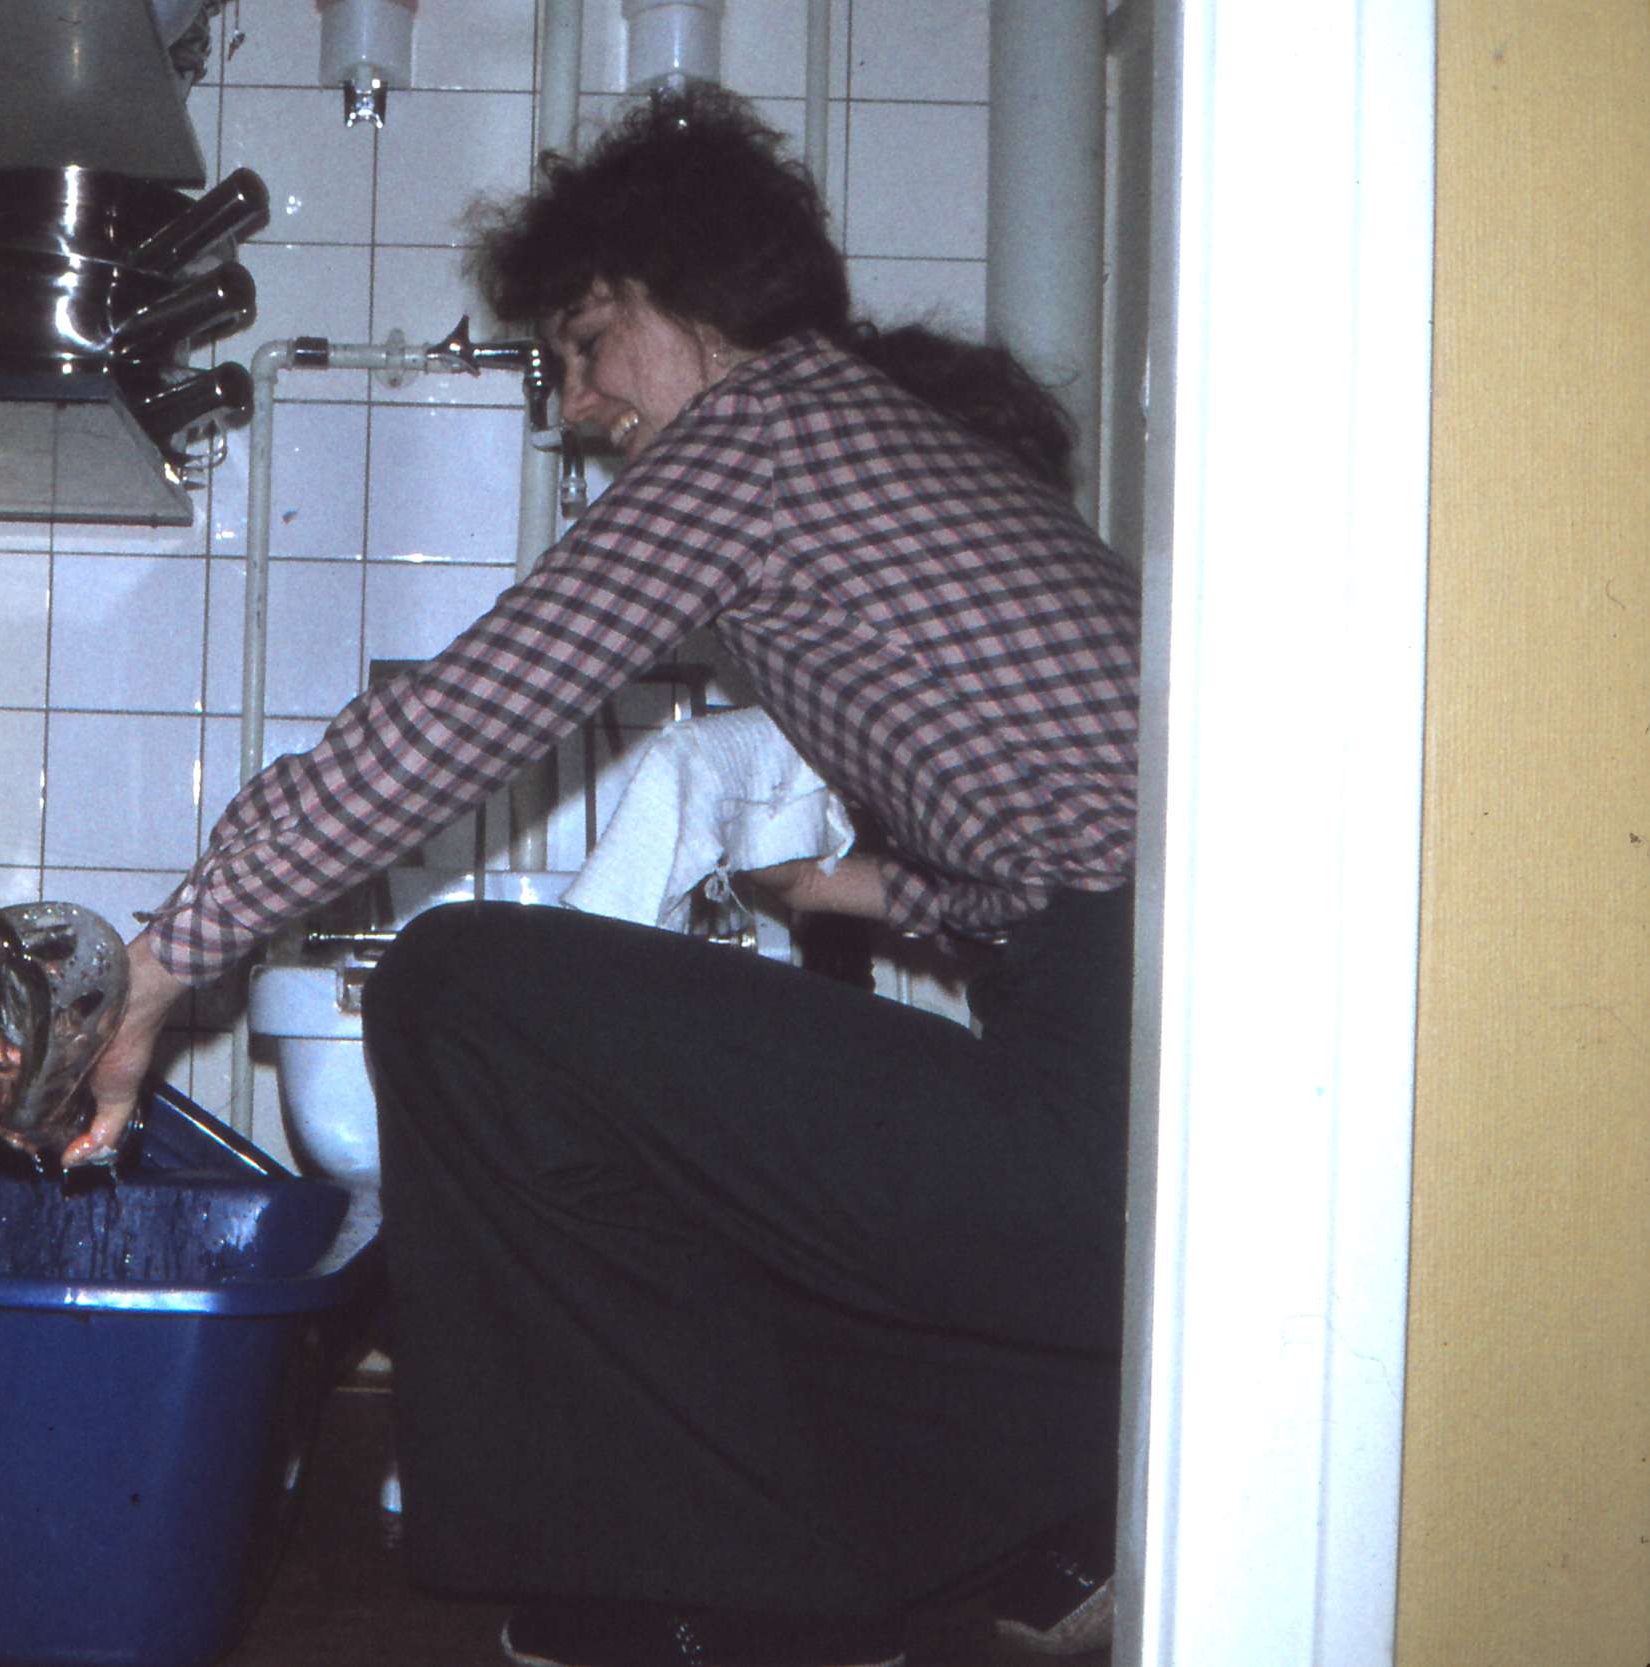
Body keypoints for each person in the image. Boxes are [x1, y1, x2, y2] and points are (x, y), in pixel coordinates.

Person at [65, 88, 1140, 1667]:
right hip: (1146, 1115)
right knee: (691, 1152)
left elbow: (463, 716)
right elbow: (1063, 849)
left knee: (462, 988)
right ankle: (925, 1554)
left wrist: (163, 964)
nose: (571, 405)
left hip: (1123, 1125)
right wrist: (846, 895)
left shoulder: (765, 429)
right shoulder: (868, 451)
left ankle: (690, 1599)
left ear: (692, 293)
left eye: (585, 341)